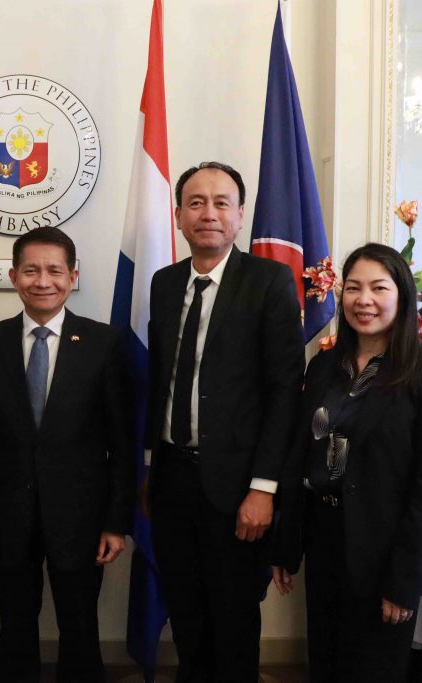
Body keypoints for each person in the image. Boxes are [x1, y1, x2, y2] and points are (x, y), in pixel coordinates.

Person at [143, 161, 305, 681]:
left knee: (233, 619)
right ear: (178, 216)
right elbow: (163, 380)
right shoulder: (165, 284)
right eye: (195, 203)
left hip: (238, 487)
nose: (207, 213)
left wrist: (263, 487)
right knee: (186, 616)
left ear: (239, 216)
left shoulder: (269, 281)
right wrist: (150, 466)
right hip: (172, 482)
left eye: (220, 203)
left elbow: (284, 391)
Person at [271, 242, 422, 682]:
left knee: (372, 671)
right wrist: (286, 542)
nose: (364, 300)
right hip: (325, 538)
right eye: (353, 288)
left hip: (384, 553)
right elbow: (301, 455)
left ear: (403, 296)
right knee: (326, 664)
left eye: (378, 287)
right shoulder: (322, 367)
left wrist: (404, 581)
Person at [0, 226, 135, 683]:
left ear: (73, 276)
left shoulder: (103, 343)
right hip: (7, 515)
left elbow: (121, 442)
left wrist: (116, 523)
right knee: (15, 625)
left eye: (55, 270)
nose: (43, 281)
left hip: (81, 517)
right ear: (14, 276)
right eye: (31, 270)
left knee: (80, 627)